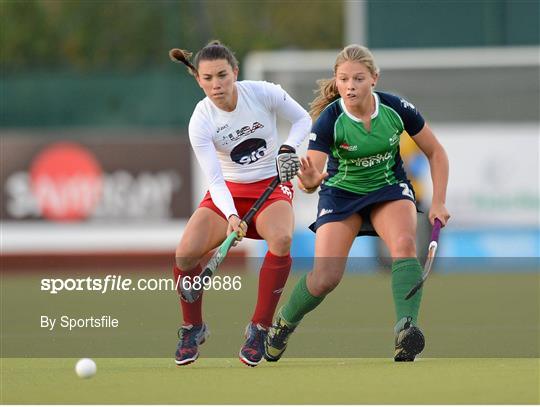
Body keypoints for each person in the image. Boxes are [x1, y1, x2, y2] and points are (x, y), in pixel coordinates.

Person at [264, 44, 450, 362]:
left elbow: (436, 152)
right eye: (344, 79)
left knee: (405, 245)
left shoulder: (396, 109)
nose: (351, 86)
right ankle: (284, 323)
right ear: (336, 82)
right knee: (326, 277)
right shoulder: (329, 121)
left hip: (388, 190)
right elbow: (311, 177)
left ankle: (406, 331)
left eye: (358, 79)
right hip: (340, 195)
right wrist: (309, 180)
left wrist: (439, 202)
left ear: (374, 79)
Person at [168, 40, 311, 367]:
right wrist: (232, 215)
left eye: (222, 75)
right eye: (207, 78)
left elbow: (303, 120)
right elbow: (216, 181)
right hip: (228, 192)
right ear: (198, 79)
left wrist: (288, 148)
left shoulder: (262, 93)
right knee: (185, 254)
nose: (216, 85)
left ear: (235, 72)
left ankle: (259, 328)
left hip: (271, 186)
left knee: (282, 239)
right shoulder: (200, 120)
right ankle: (193, 327)